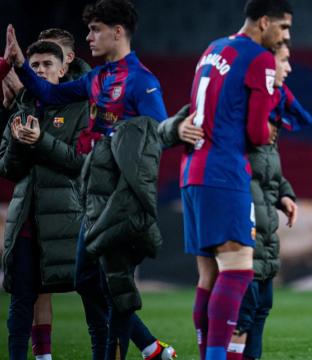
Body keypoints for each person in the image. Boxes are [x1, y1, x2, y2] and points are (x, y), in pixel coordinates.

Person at [4, 0, 175, 358]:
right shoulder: (97, 79)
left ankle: (140, 348)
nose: (88, 36)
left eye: (95, 29)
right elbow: (49, 93)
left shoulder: (141, 81)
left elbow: (158, 133)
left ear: (117, 32)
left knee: (112, 289)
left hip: (122, 198)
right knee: (90, 283)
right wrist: (20, 65)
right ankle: (147, 347)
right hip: (95, 201)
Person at [178, 0, 291, 359]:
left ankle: (207, 353)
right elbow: (258, 134)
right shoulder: (259, 59)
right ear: (263, 23)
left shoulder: (213, 49)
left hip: (192, 169)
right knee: (239, 270)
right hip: (224, 171)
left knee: (209, 276)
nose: (285, 36)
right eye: (284, 27)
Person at [0, 40, 87, 360]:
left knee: (94, 294)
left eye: (47, 64)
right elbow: (7, 169)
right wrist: (19, 145)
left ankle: (142, 346)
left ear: (63, 69)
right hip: (25, 219)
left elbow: (81, 162)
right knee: (22, 299)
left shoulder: (79, 106)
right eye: (34, 65)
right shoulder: (21, 106)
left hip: (65, 218)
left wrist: (40, 142)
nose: (39, 70)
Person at [226, 43, 312, 360]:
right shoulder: (242, 105)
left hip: (264, 223)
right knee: (242, 313)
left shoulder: (270, 106)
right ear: (263, 64)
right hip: (243, 220)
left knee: (260, 307)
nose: (288, 67)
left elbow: (267, 163)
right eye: (284, 60)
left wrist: (284, 192)